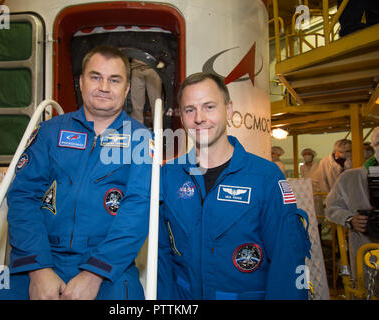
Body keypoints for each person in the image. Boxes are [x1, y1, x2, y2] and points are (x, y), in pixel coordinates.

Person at [0, 46, 152, 300]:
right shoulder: (50, 132)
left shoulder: (142, 141)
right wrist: (39, 270)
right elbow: (23, 197)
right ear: (80, 82)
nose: (104, 87)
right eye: (95, 77)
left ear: (126, 89)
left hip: (109, 267)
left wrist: (94, 274)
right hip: (41, 256)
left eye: (114, 80)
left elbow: (138, 211)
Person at [157, 72, 311, 300]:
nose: (199, 118)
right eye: (190, 110)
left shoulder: (265, 178)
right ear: (182, 117)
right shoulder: (168, 176)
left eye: (209, 107)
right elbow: (160, 256)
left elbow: (287, 260)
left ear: (228, 110)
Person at [325, 127, 379, 297]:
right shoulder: (351, 178)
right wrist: (350, 219)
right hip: (366, 246)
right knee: (368, 290)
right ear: (375, 146)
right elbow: (332, 207)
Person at [130, 58, 163, 126]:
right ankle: (137, 130)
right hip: (136, 66)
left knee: (156, 103)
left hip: (153, 66)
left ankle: (157, 131)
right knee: (136, 103)